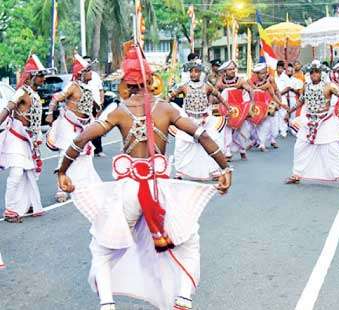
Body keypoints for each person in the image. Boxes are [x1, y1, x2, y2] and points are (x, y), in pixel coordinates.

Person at [56, 43, 232, 310]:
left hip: (128, 191)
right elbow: (203, 135)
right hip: (159, 188)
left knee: (102, 249)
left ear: (126, 83)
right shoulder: (168, 109)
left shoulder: (117, 110)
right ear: (151, 80)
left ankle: (107, 304)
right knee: (188, 243)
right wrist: (225, 168)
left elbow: (81, 138)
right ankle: (183, 298)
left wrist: (62, 171)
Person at [286, 60, 339, 188]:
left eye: (316, 72)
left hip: (325, 121)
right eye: (312, 72)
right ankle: (297, 174)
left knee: (332, 148)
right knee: (300, 147)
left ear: (321, 73)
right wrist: (289, 110)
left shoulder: (329, 86)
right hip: (309, 121)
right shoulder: (306, 86)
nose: (314, 74)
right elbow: (301, 101)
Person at [47, 54, 102, 203]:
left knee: (85, 155)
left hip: (83, 126)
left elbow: (93, 107)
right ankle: (61, 190)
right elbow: (55, 98)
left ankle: (86, 185)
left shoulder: (88, 88)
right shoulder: (72, 86)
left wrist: (97, 110)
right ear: (82, 73)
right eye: (89, 70)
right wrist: (50, 113)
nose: (92, 73)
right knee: (65, 153)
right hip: (68, 125)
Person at [0, 54, 48, 223]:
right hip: (16, 136)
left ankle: (26, 204)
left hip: (29, 138)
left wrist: (38, 135)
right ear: (31, 76)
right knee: (17, 172)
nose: (44, 78)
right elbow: (9, 108)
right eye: (40, 75)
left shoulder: (34, 94)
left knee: (30, 173)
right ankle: (10, 209)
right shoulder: (21, 92)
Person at [169, 59, 228, 180]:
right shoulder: (184, 87)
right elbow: (170, 97)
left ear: (200, 73)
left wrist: (228, 107)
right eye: (191, 71)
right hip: (188, 121)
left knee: (211, 144)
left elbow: (219, 96)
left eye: (196, 71)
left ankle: (214, 171)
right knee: (181, 146)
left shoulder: (207, 87)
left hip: (204, 121)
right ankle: (180, 172)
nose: (193, 74)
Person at [216, 60, 255, 160]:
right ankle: (227, 152)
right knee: (226, 130)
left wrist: (252, 103)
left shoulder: (240, 81)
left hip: (240, 110)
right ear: (225, 72)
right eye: (230, 69)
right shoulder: (220, 82)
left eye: (234, 69)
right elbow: (214, 93)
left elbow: (250, 90)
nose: (233, 71)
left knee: (241, 132)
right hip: (227, 109)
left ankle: (242, 150)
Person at [250, 62, 286, 151]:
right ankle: (259, 142)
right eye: (260, 72)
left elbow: (276, 91)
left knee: (271, 124)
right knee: (257, 123)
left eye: (264, 72)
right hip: (257, 105)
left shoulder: (270, 79)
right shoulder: (251, 80)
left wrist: (280, 102)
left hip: (269, 104)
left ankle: (271, 139)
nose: (263, 74)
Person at [84, 56, 106, 157]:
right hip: (85, 106)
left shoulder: (95, 76)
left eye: (89, 62)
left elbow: (101, 90)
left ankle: (98, 150)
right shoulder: (80, 77)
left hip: (96, 106)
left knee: (97, 127)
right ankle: (86, 149)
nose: (88, 64)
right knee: (85, 128)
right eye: (86, 62)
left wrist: (101, 102)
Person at [276, 62, 303, 138]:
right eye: (287, 71)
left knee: (293, 114)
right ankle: (283, 130)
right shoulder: (281, 79)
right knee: (283, 113)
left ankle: (293, 129)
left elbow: (298, 91)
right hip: (283, 98)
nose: (289, 72)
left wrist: (292, 89)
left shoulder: (296, 80)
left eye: (291, 71)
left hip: (292, 98)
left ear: (293, 71)